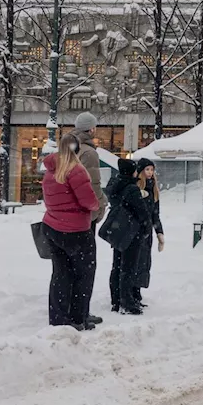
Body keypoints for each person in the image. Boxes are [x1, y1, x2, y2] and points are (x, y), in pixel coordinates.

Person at [41, 133, 99, 329]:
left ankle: (58, 318)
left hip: (52, 227)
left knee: (60, 274)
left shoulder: (51, 170)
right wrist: (96, 205)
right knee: (84, 275)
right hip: (77, 231)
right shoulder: (76, 171)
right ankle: (77, 318)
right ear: (77, 149)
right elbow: (89, 201)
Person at [104, 158, 154, 315]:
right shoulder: (131, 189)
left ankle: (116, 299)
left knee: (117, 266)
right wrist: (146, 228)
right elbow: (142, 212)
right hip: (131, 232)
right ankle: (127, 301)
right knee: (129, 267)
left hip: (118, 230)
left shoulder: (115, 185)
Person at [72, 112, 107, 326]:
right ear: (91, 129)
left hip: (66, 216)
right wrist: (100, 206)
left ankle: (70, 309)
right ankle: (82, 311)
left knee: (69, 267)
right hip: (85, 215)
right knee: (86, 265)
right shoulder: (89, 153)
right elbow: (92, 185)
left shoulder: (68, 147)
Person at [134, 159, 164, 308]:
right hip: (135, 231)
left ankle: (137, 293)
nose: (150, 173)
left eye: (152, 170)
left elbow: (155, 213)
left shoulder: (153, 189)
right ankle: (131, 294)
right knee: (134, 262)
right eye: (147, 170)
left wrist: (159, 232)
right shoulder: (135, 188)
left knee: (144, 263)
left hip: (147, 232)